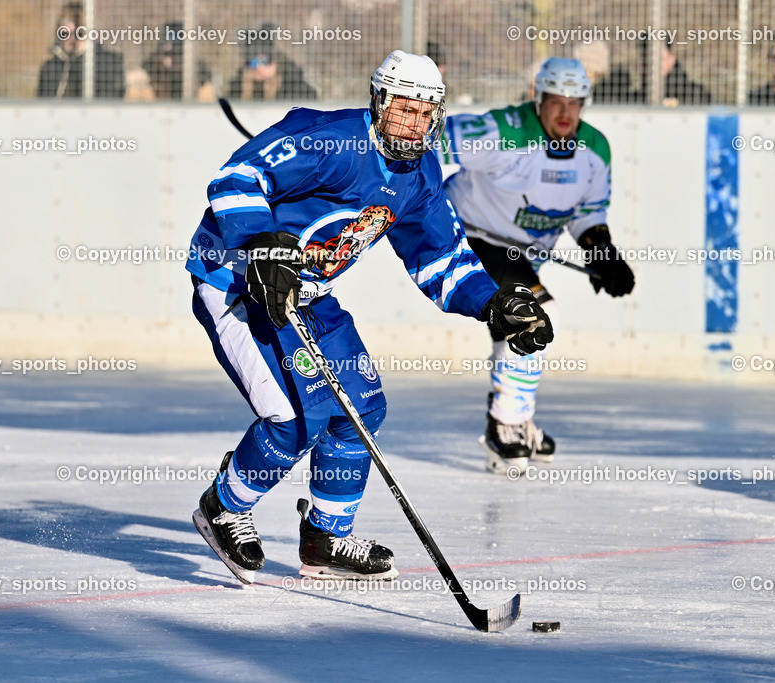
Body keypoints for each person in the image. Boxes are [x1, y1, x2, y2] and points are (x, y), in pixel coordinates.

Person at [186, 50, 553, 584]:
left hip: (308, 294)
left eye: (426, 113)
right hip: (238, 282)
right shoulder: (329, 139)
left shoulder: (420, 172)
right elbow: (237, 179)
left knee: (361, 407)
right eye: (404, 108)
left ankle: (326, 538)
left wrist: (494, 303)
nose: (414, 124)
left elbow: (440, 257)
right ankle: (224, 505)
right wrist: (259, 248)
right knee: (293, 417)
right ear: (379, 102)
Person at [438, 58, 635, 474]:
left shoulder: (595, 151)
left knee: (515, 320)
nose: (565, 113)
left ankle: (515, 416)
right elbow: (426, 137)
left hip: (522, 252)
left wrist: (601, 250)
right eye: (556, 101)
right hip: (471, 236)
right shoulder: (503, 132)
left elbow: (587, 213)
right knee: (538, 315)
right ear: (538, 99)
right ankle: (505, 425)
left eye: (575, 103)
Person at [37, 2, 125, 100]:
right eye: (64, 34)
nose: (71, 39)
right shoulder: (50, 68)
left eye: (78, 33)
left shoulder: (107, 64)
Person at [227, 22, 316, 100]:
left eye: (264, 62)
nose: (259, 68)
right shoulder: (238, 87)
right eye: (254, 63)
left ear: (275, 62)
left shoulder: (295, 86)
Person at [138, 21, 214, 101]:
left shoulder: (187, 56)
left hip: (184, 94)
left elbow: (205, 74)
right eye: (167, 37)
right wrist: (162, 63)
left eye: (172, 38)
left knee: (207, 88)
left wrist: (177, 65)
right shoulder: (158, 54)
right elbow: (145, 66)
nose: (168, 42)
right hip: (161, 96)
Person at [632, 39, 711, 106]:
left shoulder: (696, 94)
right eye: (646, 59)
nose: (652, 65)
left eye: (659, 58)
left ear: (672, 57)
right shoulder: (637, 98)